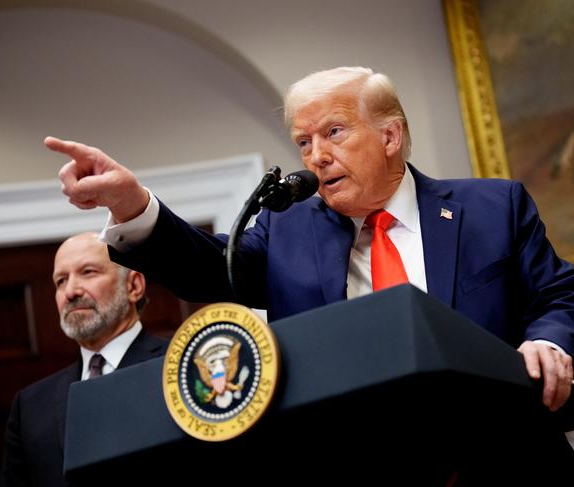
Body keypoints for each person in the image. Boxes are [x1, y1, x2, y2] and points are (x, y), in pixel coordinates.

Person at [44, 65, 573, 455]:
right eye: (303, 141)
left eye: (333, 133)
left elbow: (558, 294)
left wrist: (548, 340)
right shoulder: (287, 230)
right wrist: (131, 204)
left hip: (504, 457)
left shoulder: (491, 207)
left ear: (389, 136)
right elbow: (207, 267)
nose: (316, 156)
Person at [1, 233, 167, 487]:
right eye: (60, 281)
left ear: (134, 286)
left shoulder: (179, 368)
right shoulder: (30, 406)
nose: (70, 291)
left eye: (88, 272)